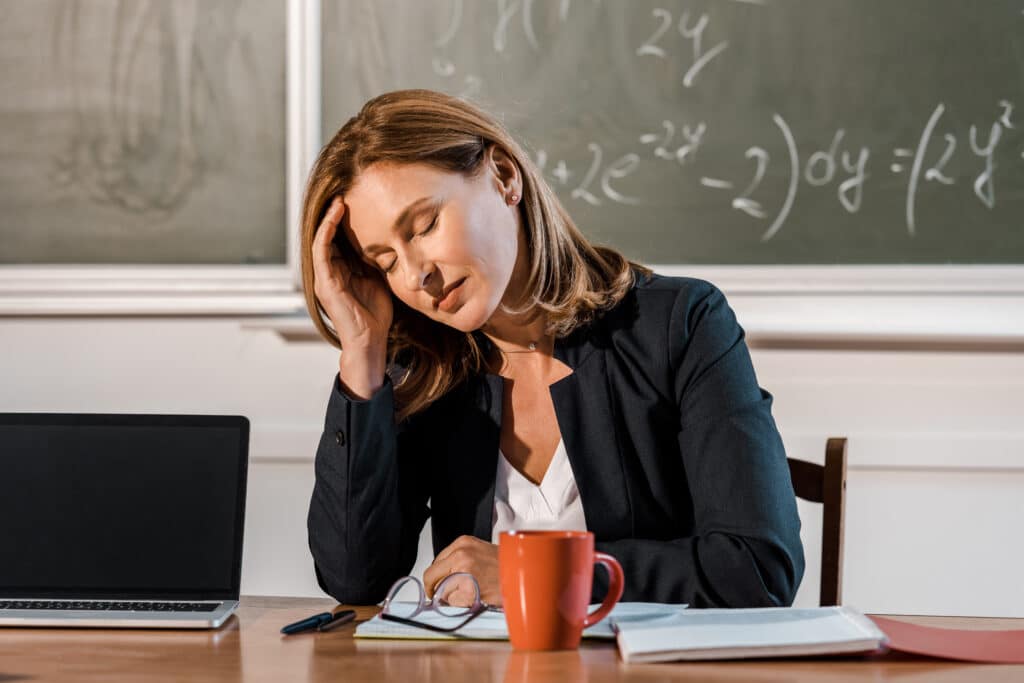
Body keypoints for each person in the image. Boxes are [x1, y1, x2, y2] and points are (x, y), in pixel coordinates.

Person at [301, 89, 804, 608]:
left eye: (425, 225)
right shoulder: (427, 373)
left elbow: (757, 570)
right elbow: (354, 578)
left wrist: (532, 571)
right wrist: (361, 353)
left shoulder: (680, 324)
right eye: (384, 262)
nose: (414, 274)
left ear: (504, 176)